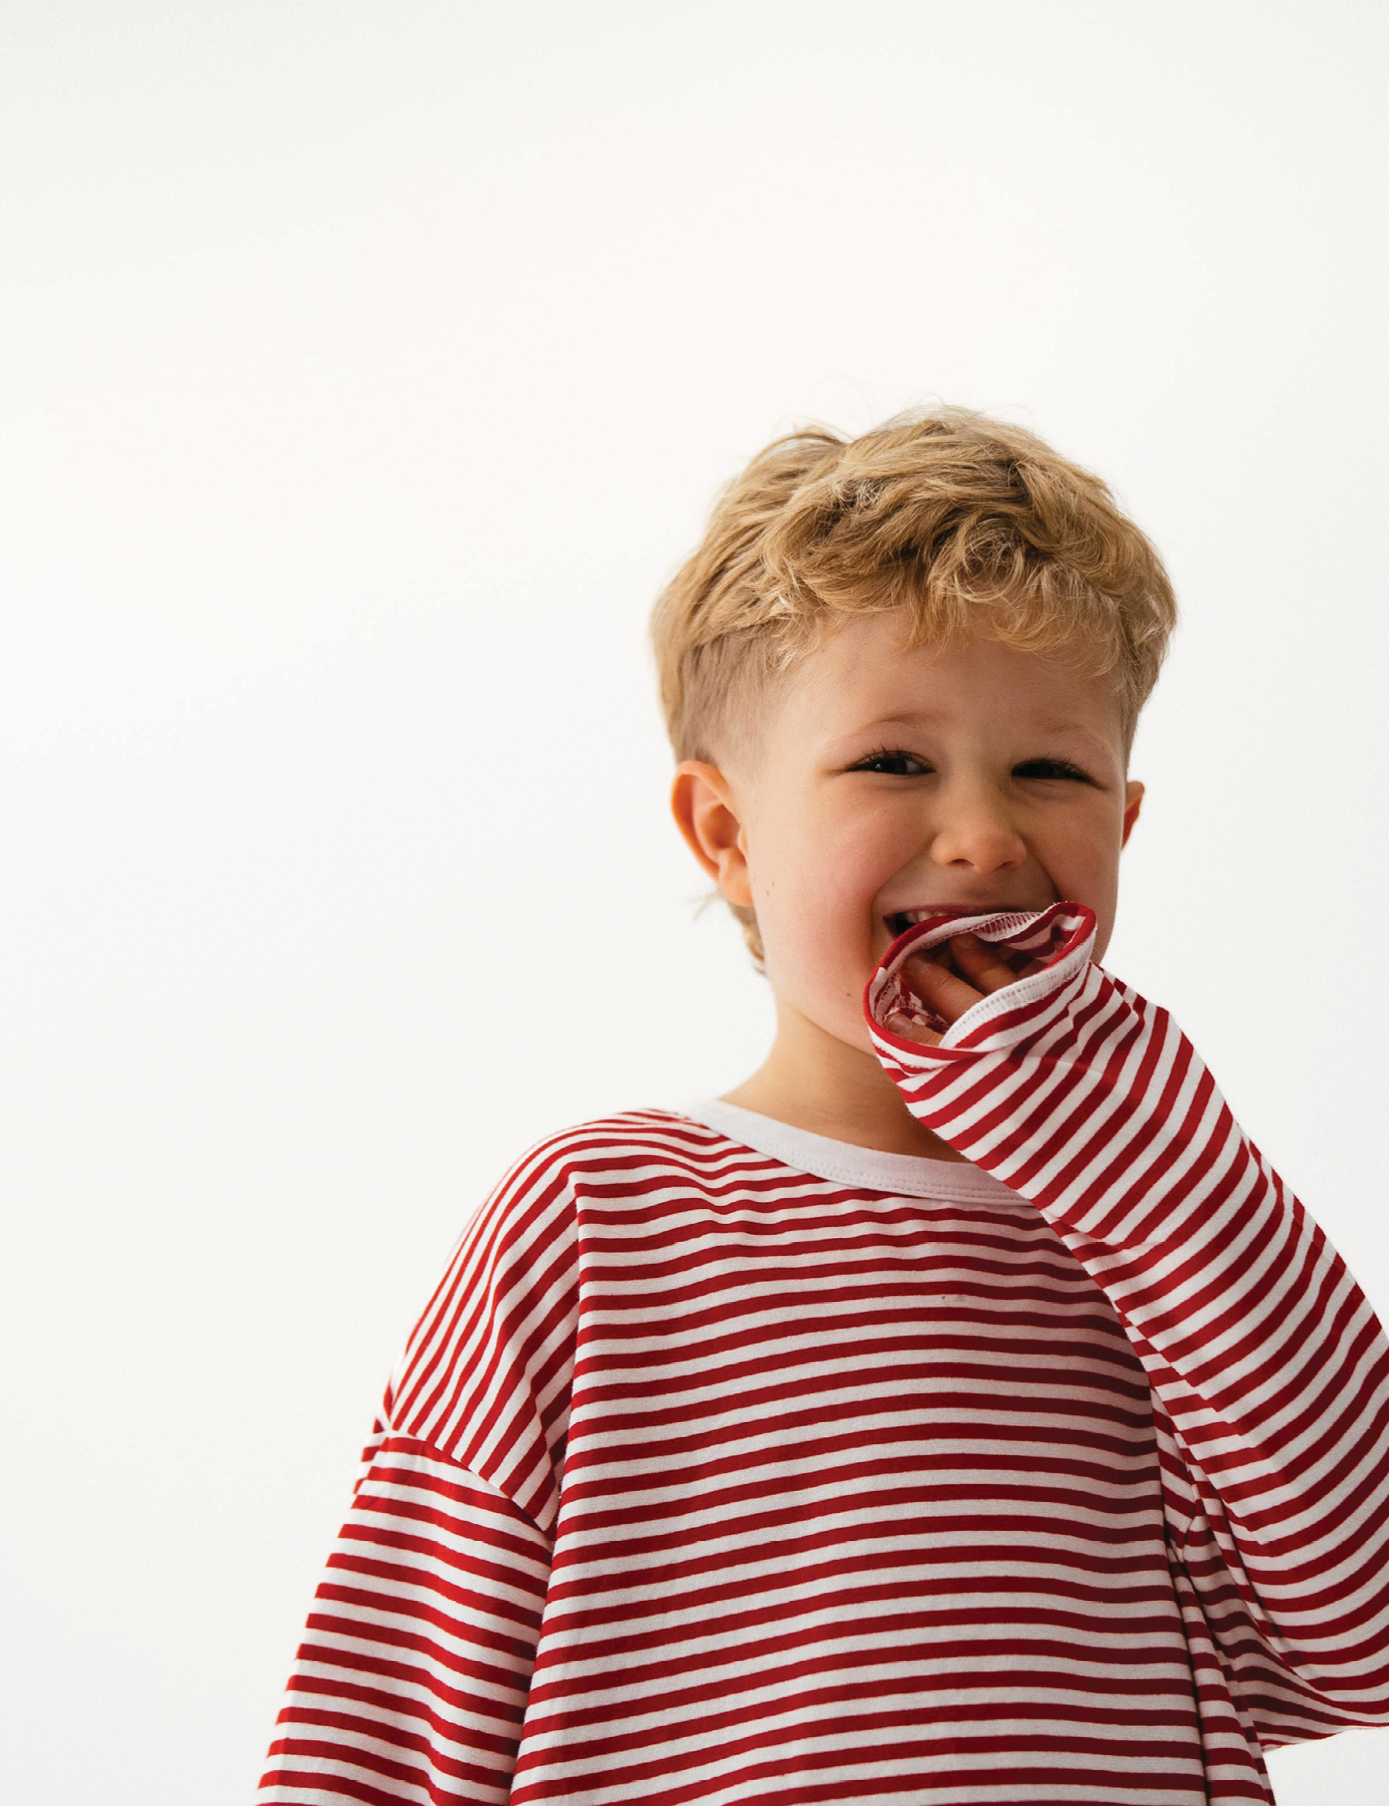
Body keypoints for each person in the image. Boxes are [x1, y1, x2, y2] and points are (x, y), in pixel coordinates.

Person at [255, 409, 1389, 1804]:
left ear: (1126, 825)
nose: (982, 836)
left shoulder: (1169, 1247)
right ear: (728, 834)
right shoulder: (596, 1225)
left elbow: (1367, 1637)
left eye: (1052, 771)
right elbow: (379, 1730)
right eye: (893, 763)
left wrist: (1130, 1146)